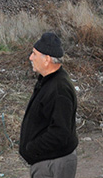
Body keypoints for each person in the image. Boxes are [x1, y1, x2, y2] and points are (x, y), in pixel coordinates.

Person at [19, 32, 78, 178]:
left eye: (34, 54)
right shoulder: (48, 81)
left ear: (46, 59)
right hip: (47, 161)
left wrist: (32, 149)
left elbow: (60, 132)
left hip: (53, 163)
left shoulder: (59, 89)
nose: (30, 58)